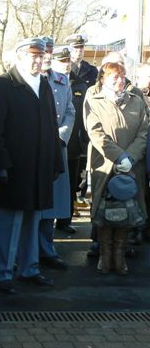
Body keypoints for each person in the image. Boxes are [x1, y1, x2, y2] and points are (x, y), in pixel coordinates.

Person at [0, 37, 63, 295]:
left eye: (41, 56)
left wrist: (54, 161)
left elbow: (52, 126)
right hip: (15, 168)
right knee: (9, 221)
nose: (38, 61)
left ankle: (29, 268)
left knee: (33, 217)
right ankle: (2, 273)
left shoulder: (44, 84)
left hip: (39, 166)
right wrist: (2, 165)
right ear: (19, 56)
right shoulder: (3, 84)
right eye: (33, 56)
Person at [84, 61, 148, 275]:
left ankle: (119, 256)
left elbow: (143, 132)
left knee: (126, 211)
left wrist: (130, 157)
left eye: (122, 76)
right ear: (103, 79)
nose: (120, 81)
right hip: (105, 164)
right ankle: (105, 255)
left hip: (132, 166)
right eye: (114, 77)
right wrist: (119, 156)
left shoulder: (136, 101)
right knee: (104, 212)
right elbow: (95, 133)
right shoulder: (94, 101)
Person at [38, 46, 76, 271]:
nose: (46, 57)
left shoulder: (61, 80)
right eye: (42, 54)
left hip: (57, 147)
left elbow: (70, 110)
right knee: (34, 205)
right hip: (33, 149)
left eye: (48, 53)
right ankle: (29, 252)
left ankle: (47, 249)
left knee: (52, 204)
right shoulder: (23, 81)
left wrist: (61, 136)